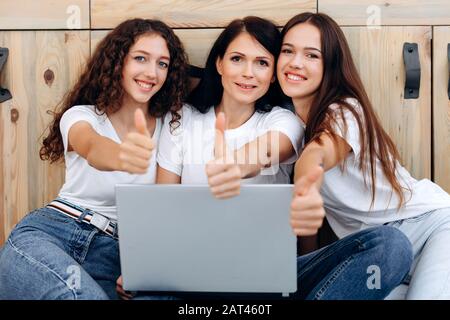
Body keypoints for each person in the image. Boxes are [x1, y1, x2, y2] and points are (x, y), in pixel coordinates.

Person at [117, 16, 413, 300]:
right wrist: (145, 265)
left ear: (273, 75)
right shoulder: (182, 120)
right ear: (219, 64)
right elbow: (163, 207)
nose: (248, 73)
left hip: (270, 276)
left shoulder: (285, 122)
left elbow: (274, 147)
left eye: (261, 63)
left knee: (390, 245)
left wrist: (233, 165)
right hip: (193, 274)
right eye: (237, 59)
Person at [0, 18, 189, 300]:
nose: (152, 72)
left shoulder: (171, 125)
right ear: (117, 62)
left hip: (117, 254)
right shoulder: (82, 116)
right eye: (140, 58)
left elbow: (161, 208)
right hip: (54, 233)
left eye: (162, 63)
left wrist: (145, 265)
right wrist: (123, 155)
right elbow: (92, 147)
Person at [279, 12, 450, 299]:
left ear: (330, 65)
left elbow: (319, 154)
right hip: (378, 258)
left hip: (430, 228)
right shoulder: (289, 125)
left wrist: (304, 176)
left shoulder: (345, 111)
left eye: (311, 55)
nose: (295, 62)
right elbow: (310, 224)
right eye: (287, 51)